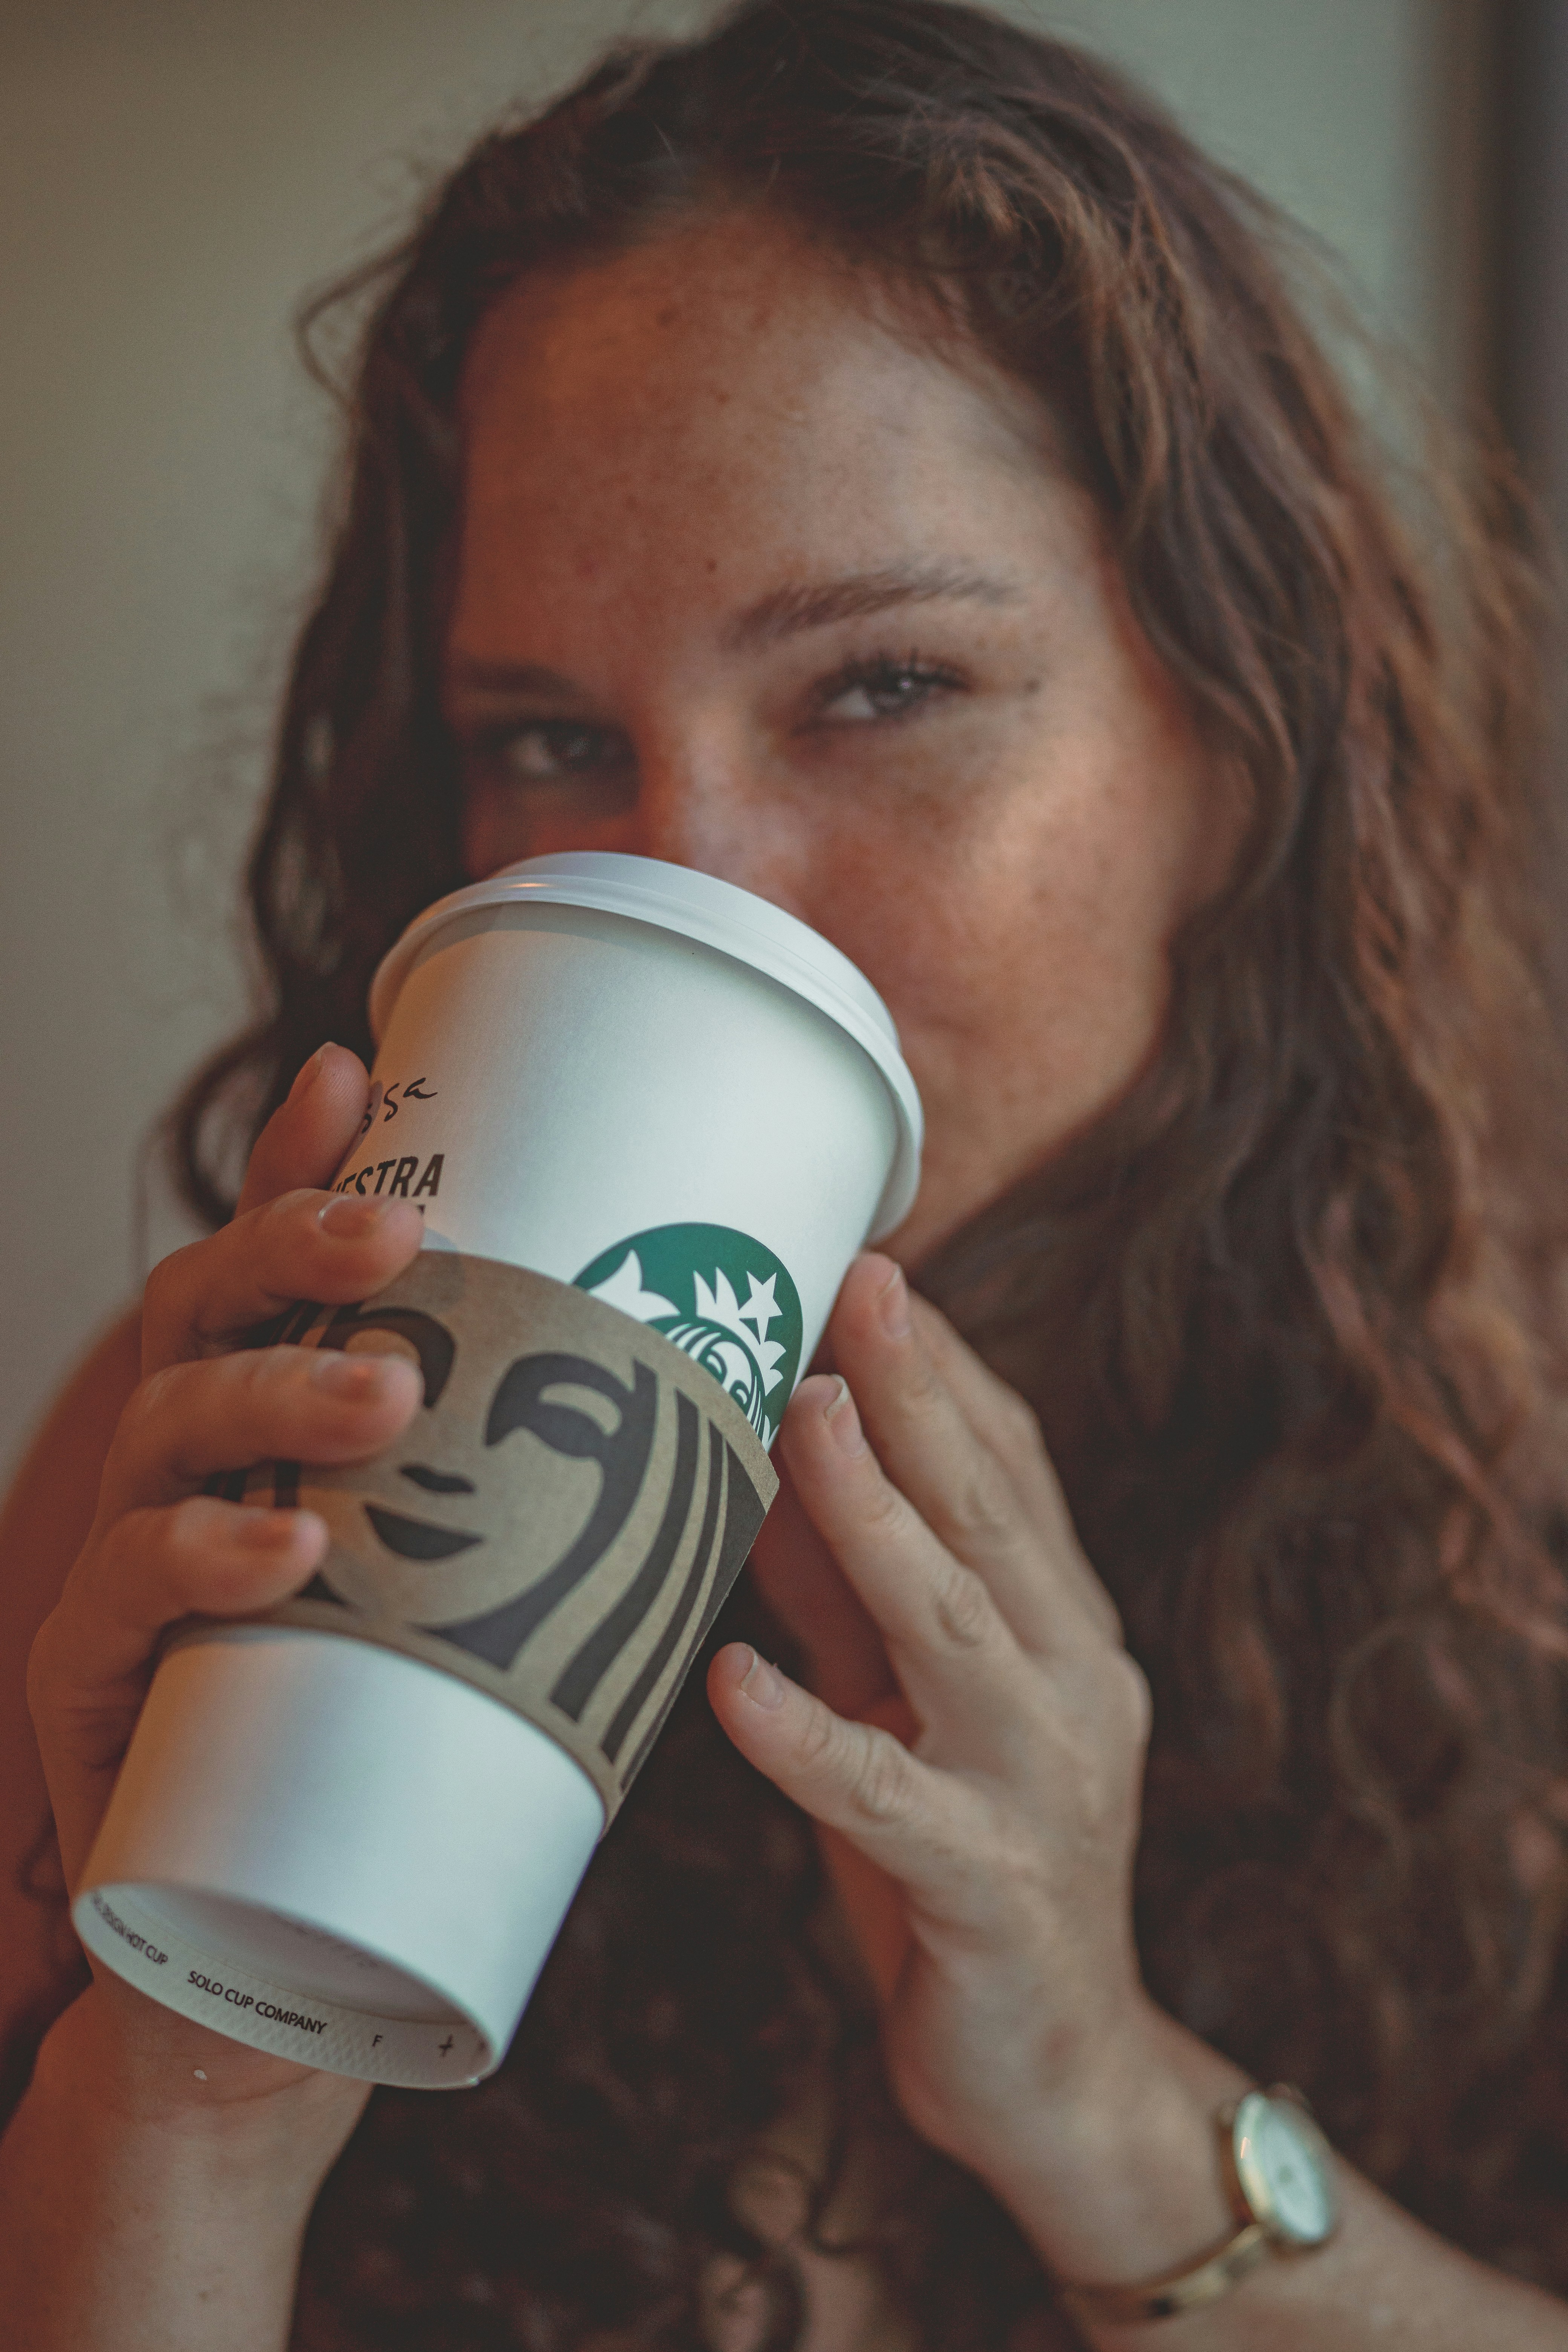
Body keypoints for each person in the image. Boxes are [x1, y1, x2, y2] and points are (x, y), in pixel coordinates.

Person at [3, 2, 1568, 2344]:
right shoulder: (237, 1443)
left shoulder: (1505, 1509)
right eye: (548, 737)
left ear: (1238, 733)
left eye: (880, 687)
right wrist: (189, 2073)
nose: (699, 874)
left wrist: (1105, 2105)